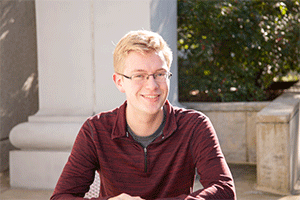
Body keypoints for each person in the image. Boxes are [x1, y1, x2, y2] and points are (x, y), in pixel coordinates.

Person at [51, 30, 236, 200]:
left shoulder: (194, 125)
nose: (152, 86)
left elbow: (224, 190)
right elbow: (61, 197)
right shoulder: (95, 130)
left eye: (160, 74)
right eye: (139, 75)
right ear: (119, 82)